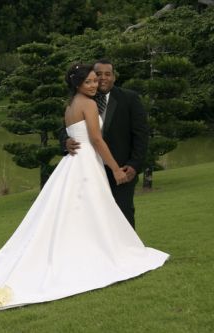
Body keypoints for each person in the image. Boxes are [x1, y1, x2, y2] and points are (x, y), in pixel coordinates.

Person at [0, 64, 168, 312]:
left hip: (75, 163)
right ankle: (97, 256)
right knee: (90, 210)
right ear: (77, 84)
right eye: (90, 81)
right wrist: (114, 167)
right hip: (88, 163)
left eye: (97, 80)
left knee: (82, 212)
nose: (95, 84)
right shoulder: (89, 103)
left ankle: (92, 252)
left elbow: (95, 132)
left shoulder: (70, 105)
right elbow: (95, 138)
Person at [60, 59, 148, 229]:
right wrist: (66, 141)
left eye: (107, 74)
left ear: (114, 77)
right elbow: (66, 129)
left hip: (121, 168)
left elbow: (141, 135)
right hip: (89, 168)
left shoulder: (129, 98)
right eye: (97, 75)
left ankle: (127, 250)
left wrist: (134, 165)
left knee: (123, 212)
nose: (102, 79)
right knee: (91, 215)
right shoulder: (82, 101)